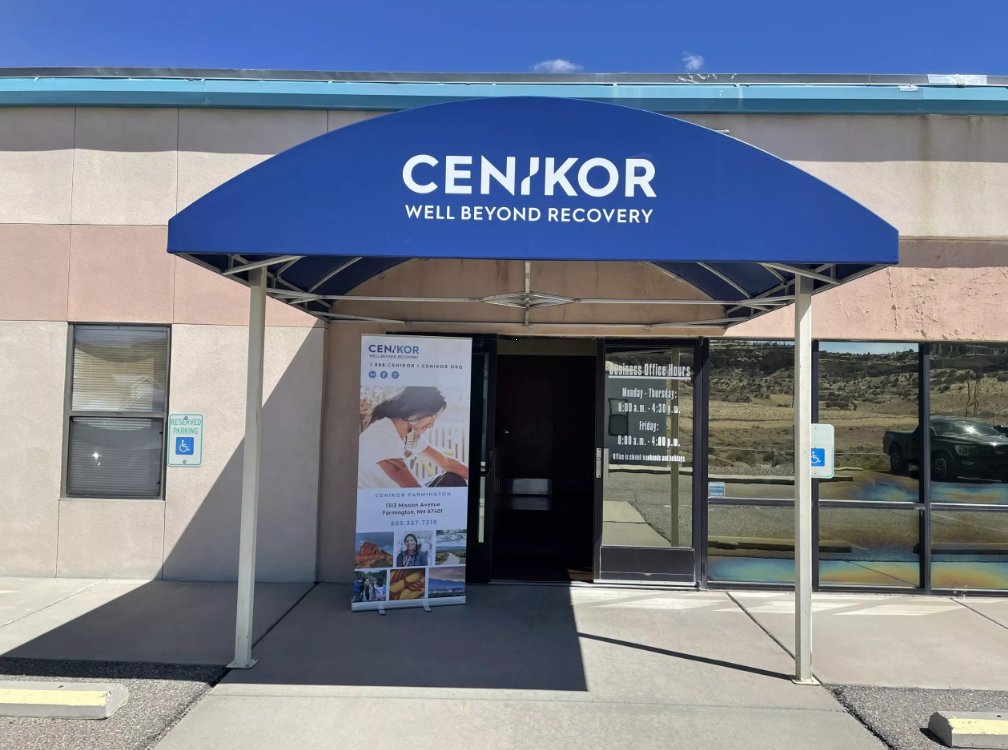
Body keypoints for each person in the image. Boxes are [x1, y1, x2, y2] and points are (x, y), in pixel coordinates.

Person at [358, 386, 469, 489]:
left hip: (397, 495)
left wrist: (480, 477)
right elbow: (412, 488)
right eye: (432, 417)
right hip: (382, 503)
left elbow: (446, 462)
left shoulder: (409, 435)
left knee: (452, 479)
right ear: (417, 409)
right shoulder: (382, 436)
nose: (431, 425)